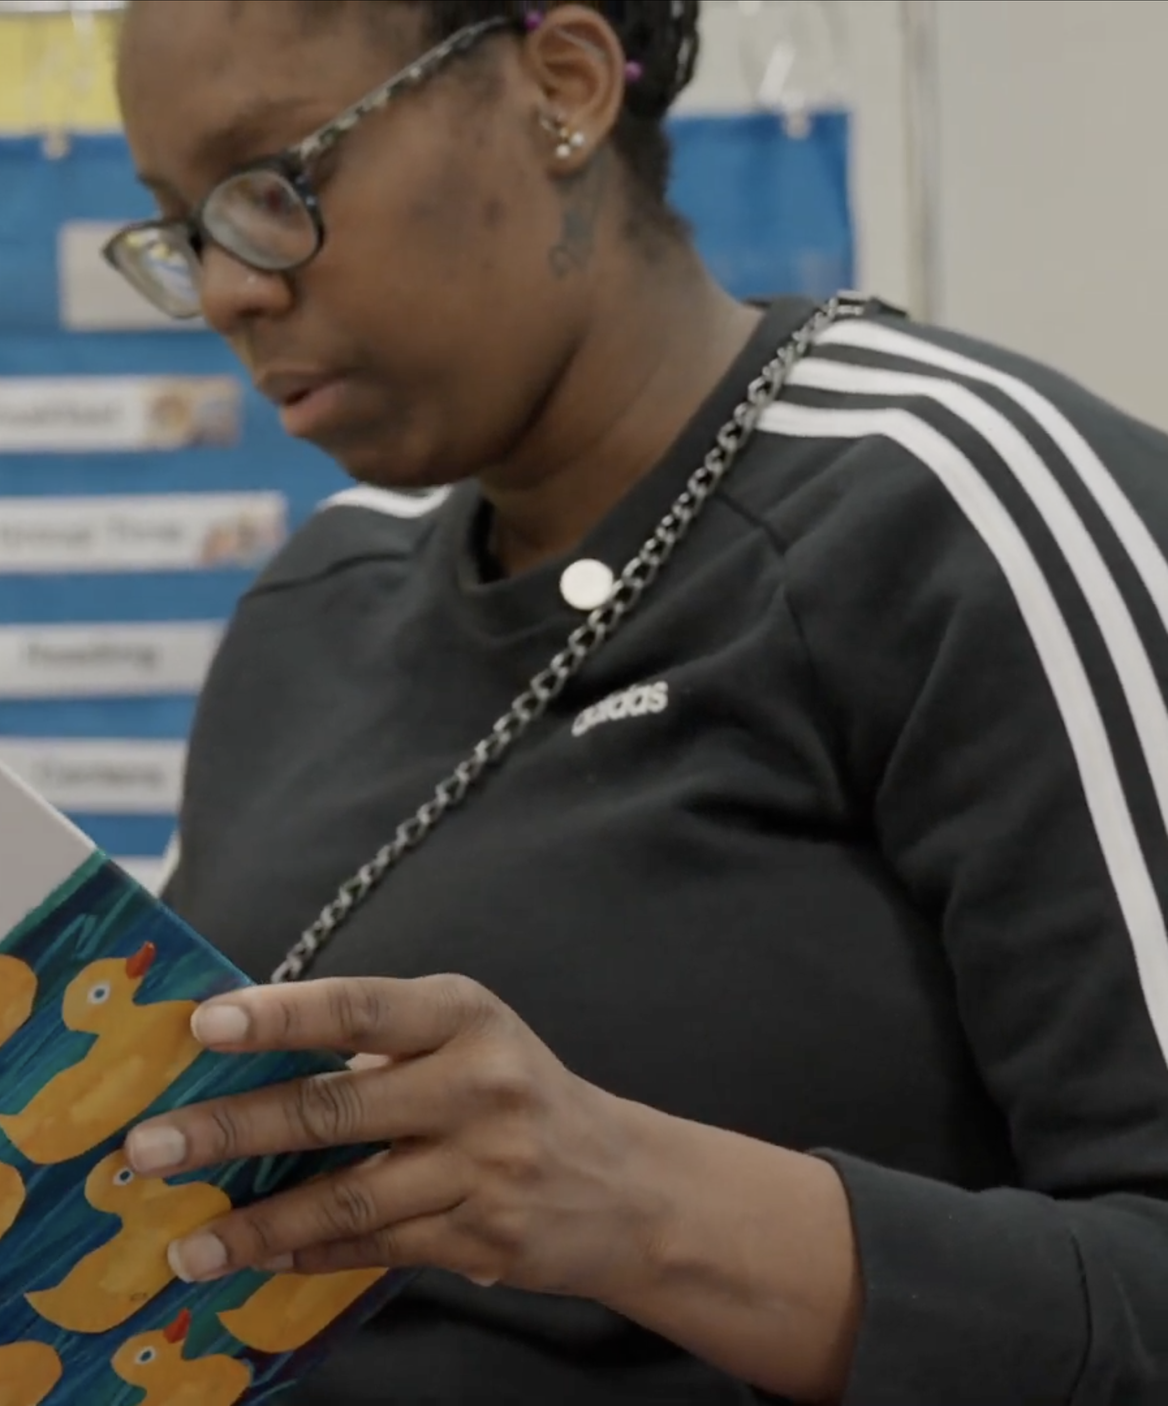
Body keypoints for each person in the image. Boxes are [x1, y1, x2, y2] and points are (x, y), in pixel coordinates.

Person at [103, 1, 1168, 1402]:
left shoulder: (949, 509)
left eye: (272, 186)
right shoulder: (316, 608)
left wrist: (640, 1208)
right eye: (183, 228)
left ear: (563, 87)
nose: (233, 287)